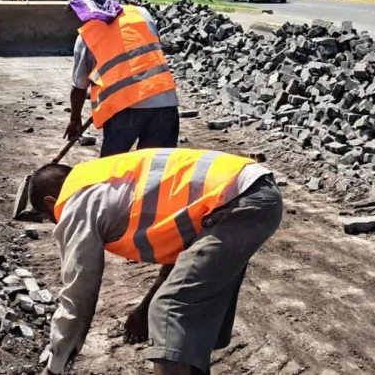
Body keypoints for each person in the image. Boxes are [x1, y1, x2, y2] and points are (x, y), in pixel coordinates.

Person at [30, 147, 284, 375]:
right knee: (187, 318)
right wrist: (143, 308)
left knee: (171, 309)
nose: (57, 224)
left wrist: (55, 365)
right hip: (250, 194)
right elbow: (182, 259)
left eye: (49, 217)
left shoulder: (77, 201)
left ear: (51, 202)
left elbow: (78, 293)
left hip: (238, 202)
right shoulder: (107, 180)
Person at [66, 0, 180, 156]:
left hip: (124, 110)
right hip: (165, 102)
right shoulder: (141, 14)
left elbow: (79, 87)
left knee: (113, 172)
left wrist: (75, 120)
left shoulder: (86, 38)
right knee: (156, 169)